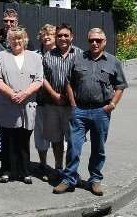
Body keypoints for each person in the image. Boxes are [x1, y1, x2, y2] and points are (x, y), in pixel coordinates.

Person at [53, 28, 128, 196]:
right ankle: (68, 180)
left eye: (98, 40)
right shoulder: (78, 59)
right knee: (73, 146)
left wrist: (112, 105)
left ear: (105, 42)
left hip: (101, 111)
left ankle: (95, 180)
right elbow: (68, 83)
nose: (94, 43)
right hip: (79, 110)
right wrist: (73, 104)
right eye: (91, 40)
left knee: (98, 148)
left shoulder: (113, 62)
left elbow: (120, 86)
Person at [0, 27, 43, 184]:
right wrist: (12, 94)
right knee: (7, 139)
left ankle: (24, 171)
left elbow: (39, 80)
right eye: (13, 39)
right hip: (7, 104)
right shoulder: (1, 56)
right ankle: (7, 170)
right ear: (8, 41)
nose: (16, 41)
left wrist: (24, 94)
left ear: (25, 40)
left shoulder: (34, 57)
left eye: (19, 38)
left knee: (23, 139)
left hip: (27, 105)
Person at [42, 23, 81, 174]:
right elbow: (43, 77)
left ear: (72, 37)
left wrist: (69, 97)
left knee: (73, 140)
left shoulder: (80, 54)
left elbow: (83, 78)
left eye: (66, 35)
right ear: (55, 38)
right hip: (52, 103)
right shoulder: (48, 55)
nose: (63, 38)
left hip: (73, 105)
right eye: (59, 35)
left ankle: (71, 171)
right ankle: (58, 168)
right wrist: (54, 95)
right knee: (56, 139)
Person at [34, 24, 56, 181]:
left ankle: (59, 167)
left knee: (57, 137)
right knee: (41, 136)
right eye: (44, 34)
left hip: (58, 104)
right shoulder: (35, 55)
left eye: (50, 34)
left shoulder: (61, 54)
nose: (47, 37)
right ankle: (43, 164)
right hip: (40, 101)